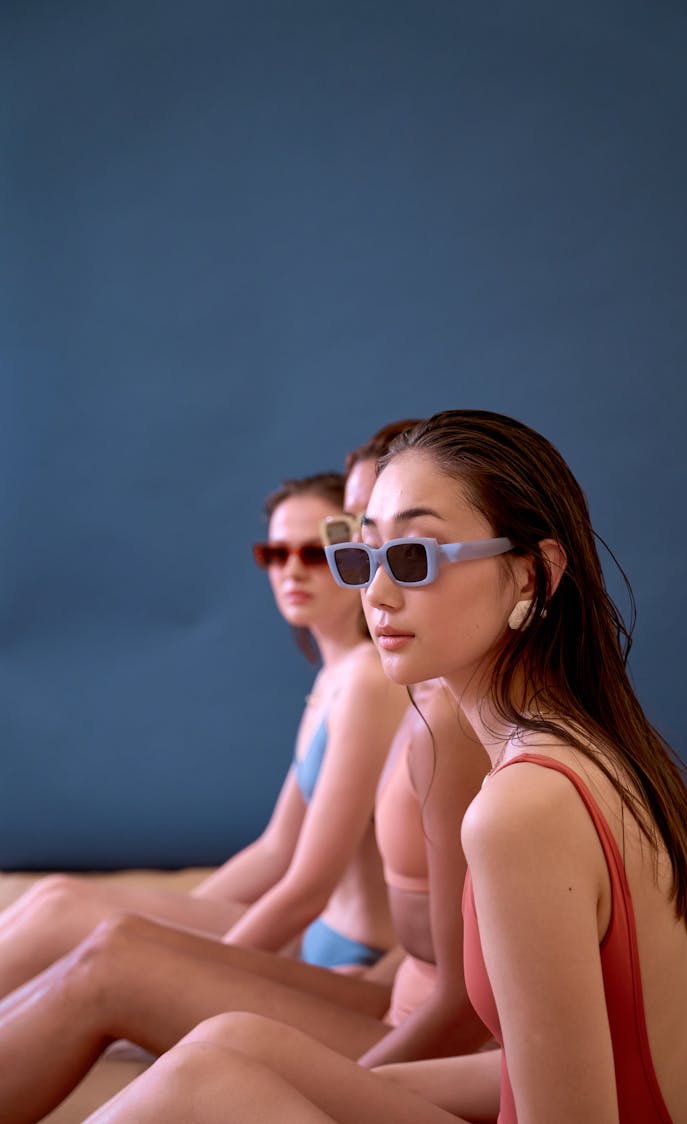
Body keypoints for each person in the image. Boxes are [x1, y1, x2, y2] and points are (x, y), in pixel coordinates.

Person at [88, 408, 687, 1123]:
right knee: (231, 1048)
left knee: (211, 1074)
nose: (376, 596)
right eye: (363, 557)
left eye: (415, 557)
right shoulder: (594, 746)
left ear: (532, 574)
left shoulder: (521, 809)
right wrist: (333, 1088)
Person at [0, 436, 493, 1123]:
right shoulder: (388, 695)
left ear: (528, 573)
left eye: (324, 547)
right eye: (278, 553)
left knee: (103, 947)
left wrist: (199, 969)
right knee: (88, 924)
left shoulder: (417, 709)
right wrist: (173, 953)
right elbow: (282, 853)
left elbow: (336, 901)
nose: (361, 568)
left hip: (367, 975)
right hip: (375, 978)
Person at [0, 469, 407, 991]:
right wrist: (167, 918)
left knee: (66, 911)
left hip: (345, 956)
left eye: (313, 553)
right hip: (316, 937)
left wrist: (189, 965)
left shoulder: (369, 682)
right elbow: (276, 851)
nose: (291, 571)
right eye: (275, 554)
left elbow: (308, 885)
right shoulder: (336, 676)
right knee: (59, 899)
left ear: (356, 555)